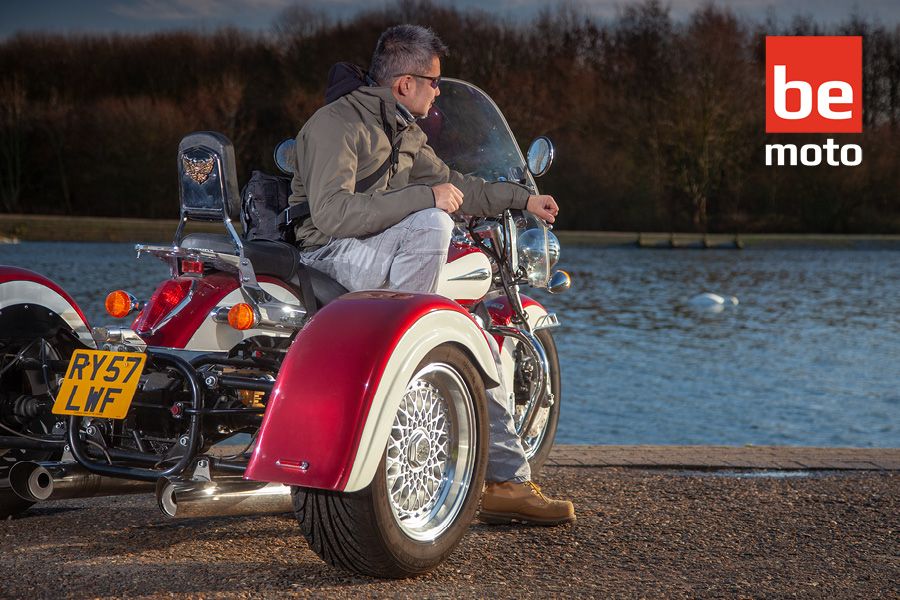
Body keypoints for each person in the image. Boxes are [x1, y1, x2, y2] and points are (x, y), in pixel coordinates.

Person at [288, 24, 574, 526]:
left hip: (368, 249)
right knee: (434, 228)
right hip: (327, 254)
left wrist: (522, 199)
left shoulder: (402, 132)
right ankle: (408, 377)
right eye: (434, 81)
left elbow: (457, 184)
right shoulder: (337, 125)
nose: (439, 91)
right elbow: (331, 216)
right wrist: (428, 201)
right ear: (405, 84)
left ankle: (503, 479)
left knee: (463, 322)